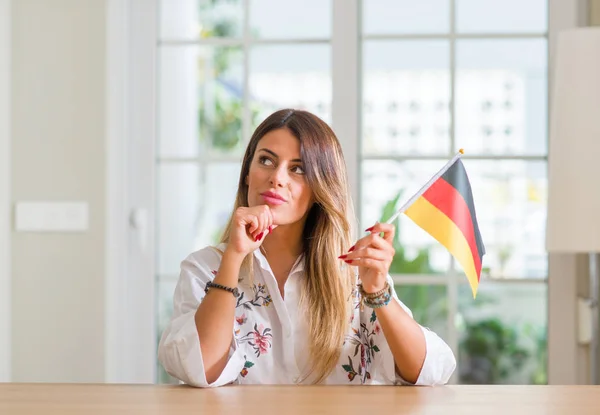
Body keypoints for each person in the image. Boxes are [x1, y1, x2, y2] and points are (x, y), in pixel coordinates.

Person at [158, 109, 456, 387]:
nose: (277, 177)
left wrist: (378, 291)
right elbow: (198, 370)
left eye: (298, 169)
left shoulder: (352, 272)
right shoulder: (203, 268)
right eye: (266, 160)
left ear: (319, 189)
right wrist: (234, 257)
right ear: (247, 173)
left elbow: (430, 372)